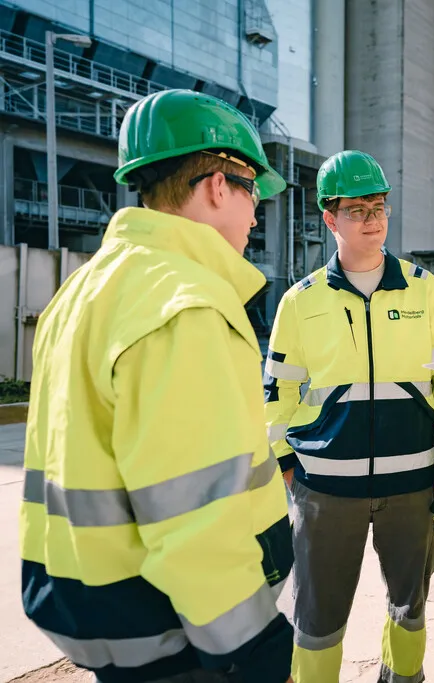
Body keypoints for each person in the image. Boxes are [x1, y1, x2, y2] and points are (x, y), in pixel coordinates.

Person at [20, 89, 295, 682]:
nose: (255, 215)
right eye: (253, 195)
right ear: (220, 186)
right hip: (179, 634)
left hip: (98, 611)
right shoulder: (185, 305)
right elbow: (194, 510)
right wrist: (251, 644)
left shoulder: (84, 291)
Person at [264, 150, 434, 683]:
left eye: (379, 206)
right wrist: (285, 464)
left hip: (412, 484)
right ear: (329, 219)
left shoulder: (426, 290)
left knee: (411, 608)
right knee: (317, 617)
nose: (373, 219)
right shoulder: (300, 302)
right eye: (357, 210)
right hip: (326, 490)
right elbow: (276, 396)